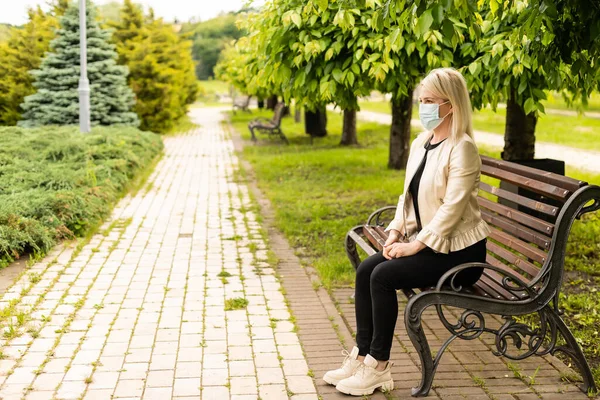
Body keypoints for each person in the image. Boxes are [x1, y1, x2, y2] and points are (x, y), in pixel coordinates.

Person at [323, 68, 491, 396]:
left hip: (460, 253)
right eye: (421, 100)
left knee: (382, 277)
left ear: (451, 105)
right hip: (432, 244)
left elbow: (451, 210)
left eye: (430, 101)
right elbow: (408, 197)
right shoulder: (422, 142)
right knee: (369, 269)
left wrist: (414, 248)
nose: (423, 107)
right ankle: (362, 355)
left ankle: (378, 367)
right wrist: (395, 233)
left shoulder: (462, 147)